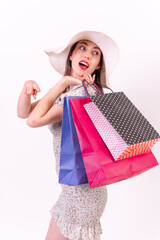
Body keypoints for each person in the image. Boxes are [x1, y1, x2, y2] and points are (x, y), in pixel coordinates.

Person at [17, 31, 119, 240]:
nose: (88, 55)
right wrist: (26, 90)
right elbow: (24, 112)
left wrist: (62, 83)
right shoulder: (77, 92)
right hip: (76, 190)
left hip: (82, 193)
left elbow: (33, 121)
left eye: (95, 53)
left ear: (97, 65)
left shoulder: (78, 95)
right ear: (71, 55)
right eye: (82, 48)